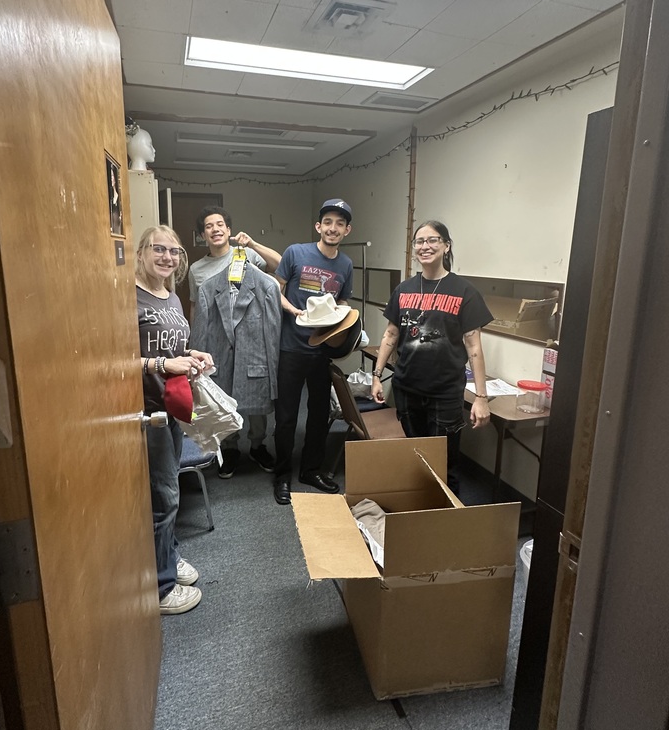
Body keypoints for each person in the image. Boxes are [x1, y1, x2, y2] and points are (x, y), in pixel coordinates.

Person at [371, 220, 492, 495]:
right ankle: (418, 512)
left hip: (445, 392)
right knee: (414, 455)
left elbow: (474, 348)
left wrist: (481, 398)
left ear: (446, 246)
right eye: (419, 241)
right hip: (407, 388)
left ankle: (446, 523)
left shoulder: (465, 292)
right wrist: (377, 376)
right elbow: (390, 335)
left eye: (433, 240)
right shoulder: (403, 290)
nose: (425, 246)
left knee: (444, 463)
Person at [136, 225, 214, 614]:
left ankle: (168, 554)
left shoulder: (171, 297)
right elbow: (108, 364)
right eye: (159, 249)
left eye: (175, 252)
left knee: (168, 493)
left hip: (170, 408)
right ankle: (162, 587)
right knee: (163, 497)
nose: (167, 257)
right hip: (145, 413)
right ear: (141, 252)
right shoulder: (127, 299)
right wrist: (162, 363)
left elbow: (175, 346)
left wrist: (194, 355)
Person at [188, 207, 281, 479]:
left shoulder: (246, 255)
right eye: (209, 226)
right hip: (219, 339)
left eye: (220, 224)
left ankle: (257, 444)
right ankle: (229, 448)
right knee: (222, 394)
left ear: (228, 230)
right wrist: (197, 345)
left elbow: (278, 266)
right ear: (202, 234)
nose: (215, 229)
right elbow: (197, 307)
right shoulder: (197, 270)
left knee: (257, 392)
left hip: (252, 336)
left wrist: (251, 242)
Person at [272, 198, 354, 505]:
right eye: (328, 222)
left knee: (320, 414)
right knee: (287, 417)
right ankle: (282, 476)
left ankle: (310, 470)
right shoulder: (295, 252)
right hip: (291, 347)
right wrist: (294, 311)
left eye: (340, 224)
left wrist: (345, 325)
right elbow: (274, 289)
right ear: (318, 226)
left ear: (347, 230)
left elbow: (343, 302)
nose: (333, 228)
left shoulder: (345, 264)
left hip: (323, 351)